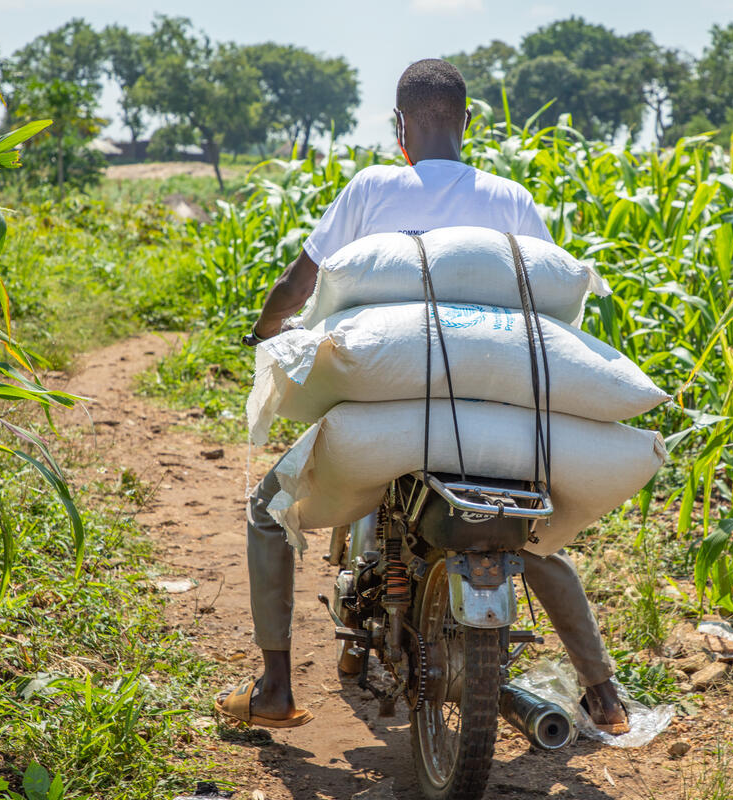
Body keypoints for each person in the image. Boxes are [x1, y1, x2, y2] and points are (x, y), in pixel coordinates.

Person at [215, 58, 629, 735]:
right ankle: (604, 694)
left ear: (400, 129)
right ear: (467, 124)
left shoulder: (372, 187)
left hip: (391, 405)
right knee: (528, 530)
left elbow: (298, 285)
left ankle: (275, 686)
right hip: (494, 416)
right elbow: (548, 313)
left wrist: (266, 329)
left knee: (269, 511)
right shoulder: (511, 200)